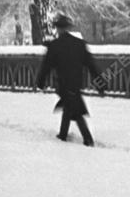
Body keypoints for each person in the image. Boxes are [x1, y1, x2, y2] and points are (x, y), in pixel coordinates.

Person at [37, 13, 103, 147]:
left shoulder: (55, 46)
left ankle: (87, 139)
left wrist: (41, 81)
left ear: (58, 29)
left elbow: (46, 66)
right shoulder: (80, 44)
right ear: (68, 28)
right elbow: (91, 65)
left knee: (75, 110)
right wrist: (100, 83)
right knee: (70, 106)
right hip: (77, 82)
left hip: (63, 83)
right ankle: (63, 135)